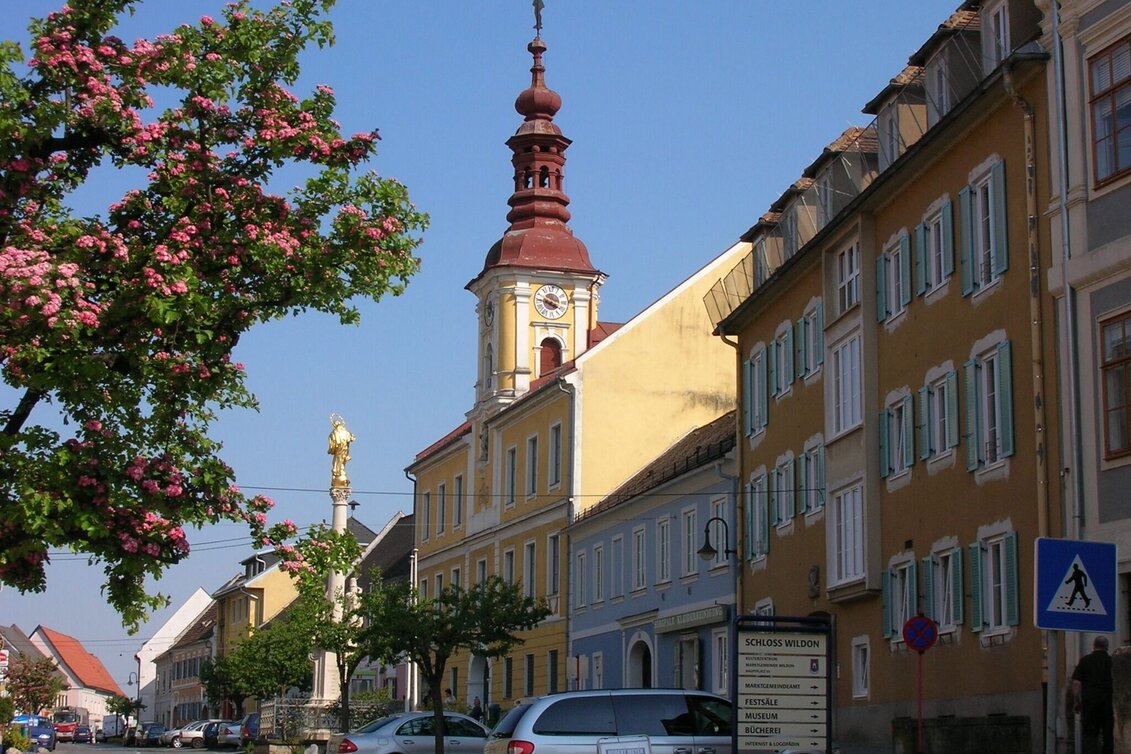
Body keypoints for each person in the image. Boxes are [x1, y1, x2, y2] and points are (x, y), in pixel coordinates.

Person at [1072, 635, 1114, 754]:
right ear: (1107, 647)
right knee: (1108, 734)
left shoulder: (1085, 661)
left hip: (1090, 703)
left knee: (1090, 734)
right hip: (1108, 702)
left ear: (1094, 646)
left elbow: (1076, 682)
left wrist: (1076, 701)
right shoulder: (1111, 661)